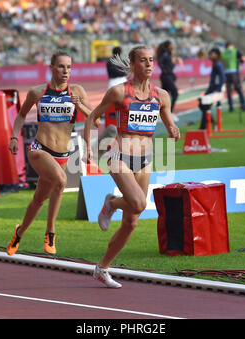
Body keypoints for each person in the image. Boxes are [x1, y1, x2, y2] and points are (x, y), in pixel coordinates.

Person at [84, 45, 180, 288]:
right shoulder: (119, 92)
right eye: (143, 61)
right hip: (120, 156)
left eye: (151, 60)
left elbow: (168, 122)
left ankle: (102, 268)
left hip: (145, 160)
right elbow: (91, 116)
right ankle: (111, 203)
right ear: (133, 64)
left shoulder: (162, 96)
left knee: (132, 222)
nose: (148, 65)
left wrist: (173, 130)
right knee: (139, 203)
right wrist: (87, 147)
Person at [7, 51, 96, 256]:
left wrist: (79, 104)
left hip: (62, 154)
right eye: (61, 67)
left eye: (69, 67)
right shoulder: (38, 92)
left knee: (38, 199)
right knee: (61, 181)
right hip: (39, 149)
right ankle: (50, 232)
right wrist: (13, 137)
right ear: (52, 68)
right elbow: (21, 116)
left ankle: (19, 233)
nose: (66, 71)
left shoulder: (77, 91)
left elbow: (95, 120)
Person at [199, 48, 225, 130]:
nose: (209, 56)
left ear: (216, 55)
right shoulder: (216, 63)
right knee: (204, 105)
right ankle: (211, 123)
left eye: (211, 54)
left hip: (214, 88)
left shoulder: (218, 64)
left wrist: (218, 88)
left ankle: (204, 127)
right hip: (212, 87)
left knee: (204, 105)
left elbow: (222, 78)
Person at [156, 40, 183, 113]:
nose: (173, 46)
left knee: (162, 96)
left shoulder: (169, 54)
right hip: (166, 77)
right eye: (171, 45)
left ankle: (160, 110)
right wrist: (164, 69)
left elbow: (170, 66)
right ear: (168, 46)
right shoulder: (165, 54)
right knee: (175, 93)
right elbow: (160, 62)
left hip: (169, 76)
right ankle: (170, 111)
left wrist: (175, 63)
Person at [221, 42, 245, 112]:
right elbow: (243, 59)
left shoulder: (223, 53)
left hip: (226, 74)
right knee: (239, 89)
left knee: (229, 91)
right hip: (234, 73)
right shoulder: (235, 51)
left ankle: (231, 107)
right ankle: (243, 105)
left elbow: (221, 63)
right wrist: (241, 61)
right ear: (231, 45)